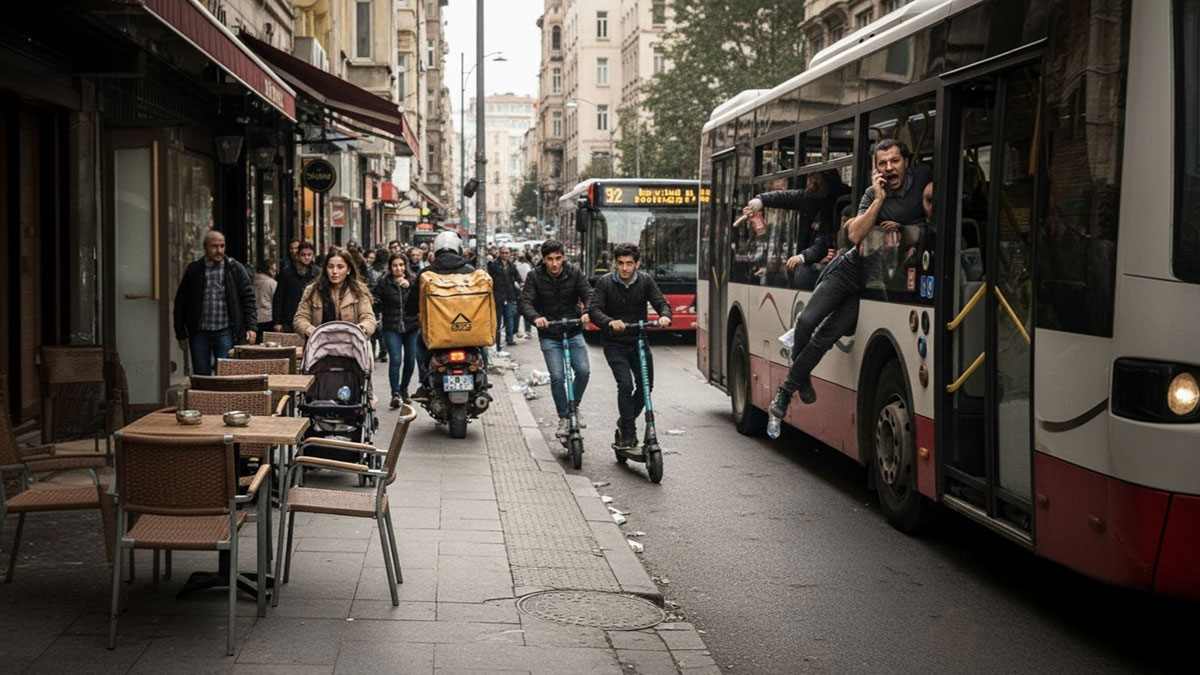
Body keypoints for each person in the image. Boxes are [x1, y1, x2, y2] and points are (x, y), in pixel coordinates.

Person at [762, 138, 931, 421]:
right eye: (882, 164)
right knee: (805, 323)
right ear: (875, 169)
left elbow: (932, 214)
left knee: (826, 336)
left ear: (907, 163)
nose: (889, 168)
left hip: (878, 282)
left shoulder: (925, 180)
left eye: (895, 161)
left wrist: (909, 229)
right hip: (851, 269)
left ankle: (786, 390)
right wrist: (878, 200)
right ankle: (802, 379)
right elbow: (855, 235)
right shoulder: (871, 194)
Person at [588, 243, 672, 449]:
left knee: (646, 387)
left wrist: (664, 316)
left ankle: (625, 420)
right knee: (625, 385)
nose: (624, 268)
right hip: (614, 343)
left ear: (637, 264)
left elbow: (661, 302)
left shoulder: (645, 281)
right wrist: (609, 322)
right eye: (620, 263)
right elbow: (594, 309)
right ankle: (628, 432)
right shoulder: (605, 283)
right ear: (615, 264)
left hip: (639, 341)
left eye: (629, 264)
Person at [519, 240, 593, 438]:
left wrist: (588, 311)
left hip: (573, 329)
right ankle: (563, 417)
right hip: (550, 334)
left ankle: (573, 408)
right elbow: (525, 301)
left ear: (564, 257)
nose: (554, 263)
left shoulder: (575, 272)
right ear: (543, 259)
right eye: (550, 259)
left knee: (584, 371)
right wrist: (536, 317)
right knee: (558, 377)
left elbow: (589, 293)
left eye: (558, 258)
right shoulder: (534, 276)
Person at [404, 231, 481, 402]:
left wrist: (411, 311)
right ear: (458, 249)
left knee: (419, 345)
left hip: (437, 333)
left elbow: (411, 305)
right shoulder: (471, 271)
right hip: (466, 329)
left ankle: (425, 383)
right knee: (480, 346)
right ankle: (484, 380)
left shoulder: (427, 273)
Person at [744, 169, 849, 289]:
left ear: (827, 181)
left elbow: (824, 239)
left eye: (815, 182)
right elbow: (786, 197)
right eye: (809, 179)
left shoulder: (839, 202)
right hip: (815, 256)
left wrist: (804, 257)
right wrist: (761, 200)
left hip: (831, 264)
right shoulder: (809, 197)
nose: (810, 185)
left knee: (803, 276)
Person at [173, 230, 257, 376]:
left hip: (225, 330)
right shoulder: (194, 270)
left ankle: (223, 399)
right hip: (199, 331)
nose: (219, 250)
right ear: (206, 247)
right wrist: (180, 333)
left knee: (225, 374)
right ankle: (204, 399)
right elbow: (181, 302)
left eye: (222, 246)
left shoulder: (234, 268)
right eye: (214, 246)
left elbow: (248, 298)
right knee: (201, 375)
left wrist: (251, 327)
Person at [293, 248, 377, 339]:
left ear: (348, 270)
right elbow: (300, 318)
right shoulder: (312, 291)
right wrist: (308, 328)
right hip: (319, 345)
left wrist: (361, 328)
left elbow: (369, 318)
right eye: (330, 267)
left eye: (340, 267)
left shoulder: (358, 292)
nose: (334, 272)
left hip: (351, 345)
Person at [373, 252, 420, 408]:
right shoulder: (384, 283)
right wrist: (375, 316)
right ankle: (395, 394)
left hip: (411, 326)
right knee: (395, 359)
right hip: (391, 327)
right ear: (390, 267)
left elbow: (421, 301)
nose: (398, 268)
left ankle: (404, 388)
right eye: (395, 265)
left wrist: (410, 288)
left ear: (405, 267)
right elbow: (376, 300)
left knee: (410, 360)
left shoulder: (414, 282)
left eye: (401, 265)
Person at [272, 241, 317, 334]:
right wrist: (277, 322)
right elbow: (279, 297)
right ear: (298, 255)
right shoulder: (287, 273)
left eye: (309, 255)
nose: (306, 257)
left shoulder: (317, 273)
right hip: (289, 319)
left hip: (311, 320)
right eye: (303, 255)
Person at [487, 245, 521, 349]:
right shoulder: (494, 265)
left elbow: (517, 277)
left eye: (507, 253)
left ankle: (509, 338)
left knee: (509, 318)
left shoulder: (511, 266)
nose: (505, 255)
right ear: (500, 254)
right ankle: (497, 342)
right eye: (503, 253)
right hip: (498, 297)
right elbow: (490, 278)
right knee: (497, 320)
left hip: (509, 296)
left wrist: (518, 285)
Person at [252, 258, 277, 342]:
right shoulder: (271, 283)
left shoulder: (253, 281)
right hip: (268, 317)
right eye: (273, 270)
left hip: (254, 317)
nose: (275, 272)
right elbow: (276, 300)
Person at [513, 251, 533, 338]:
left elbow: (514, 279)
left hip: (517, 291)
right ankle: (528, 331)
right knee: (527, 311)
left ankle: (517, 331)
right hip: (527, 291)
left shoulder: (515, 266)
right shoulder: (527, 266)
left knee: (517, 313)